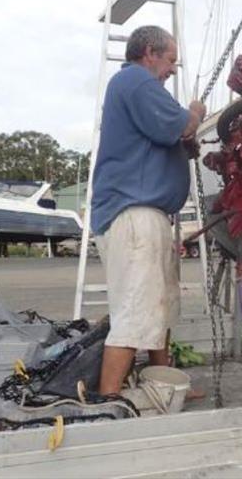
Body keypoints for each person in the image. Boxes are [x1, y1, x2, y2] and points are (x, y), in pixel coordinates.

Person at [91, 25, 205, 395]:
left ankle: (166, 385)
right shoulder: (138, 82)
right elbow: (182, 125)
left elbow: (166, 136)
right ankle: (108, 402)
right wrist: (195, 113)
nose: (173, 69)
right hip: (134, 215)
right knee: (136, 310)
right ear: (149, 54)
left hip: (146, 215)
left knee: (159, 307)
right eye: (171, 60)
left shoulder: (136, 89)